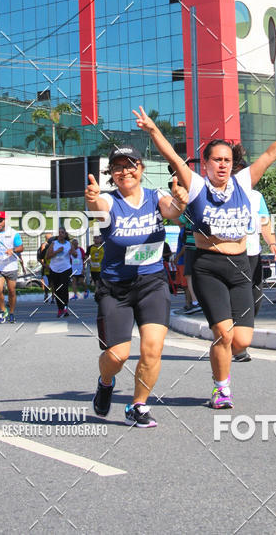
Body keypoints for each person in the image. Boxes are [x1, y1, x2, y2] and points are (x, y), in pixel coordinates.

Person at [133, 104, 276, 410]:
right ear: (206, 164)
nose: (223, 165)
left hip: (241, 266)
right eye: (217, 160)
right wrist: (152, 130)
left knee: (241, 341)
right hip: (208, 266)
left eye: (227, 160)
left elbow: (270, 154)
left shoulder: (243, 183)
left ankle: (224, 366)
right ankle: (221, 388)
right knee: (223, 334)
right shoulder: (198, 185)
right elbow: (172, 157)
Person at [85, 144, 187, 428]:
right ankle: (106, 382)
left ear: (141, 169)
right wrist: (91, 200)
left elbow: (172, 211)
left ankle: (138, 405)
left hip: (152, 282)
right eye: (118, 167)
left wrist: (181, 200)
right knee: (117, 356)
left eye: (131, 165)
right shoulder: (109, 201)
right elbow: (98, 208)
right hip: (115, 287)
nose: (124, 171)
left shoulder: (156, 197)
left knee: (152, 348)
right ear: (111, 174)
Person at [231, 151, 276, 361]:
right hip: (232, 254)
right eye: (236, 174)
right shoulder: (224, 194)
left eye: (243, 174)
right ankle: (239, 347)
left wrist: (272, 244)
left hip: (254, 254)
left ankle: (239, 337)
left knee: (256, 299)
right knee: (239, 300)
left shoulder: (256, 197)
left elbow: (265, 223)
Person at [0, 211, 24, 323]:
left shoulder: (13, 233)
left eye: (0, 220)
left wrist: (13, 250)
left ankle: (11, 312)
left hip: (11, 266)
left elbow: (21, 247)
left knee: (11, 291)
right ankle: (3, 310)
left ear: (6, 221)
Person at [46, 228, 72, 317]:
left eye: (63, 233)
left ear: (65, 234)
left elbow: (74, 254)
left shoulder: (69, 244)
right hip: (54, 269)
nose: (61, 234)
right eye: (59, 233)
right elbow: (48, 257)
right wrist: (56, 251)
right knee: (57, 290)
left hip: (66, 269)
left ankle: (65, 308)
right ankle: (60, 308)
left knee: (64, 289)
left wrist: (74, 253)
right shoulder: (54, 244)